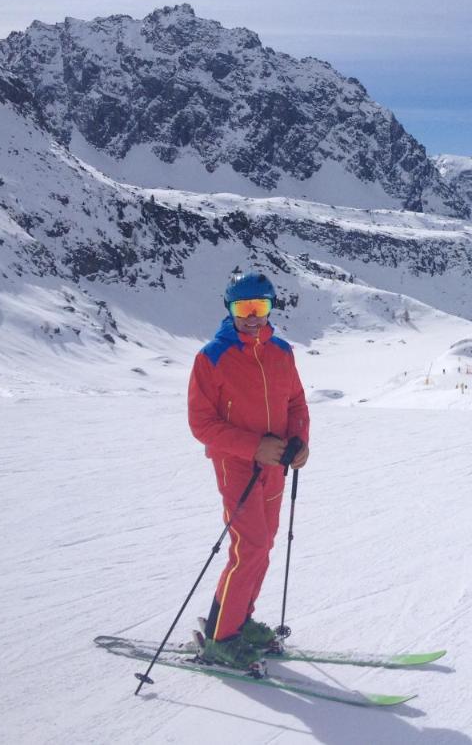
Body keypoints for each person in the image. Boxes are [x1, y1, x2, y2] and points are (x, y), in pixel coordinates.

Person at [187, 272, 309, 668]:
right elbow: (201, 424)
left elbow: (296, 404)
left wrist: (299, 442)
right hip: (236, 465)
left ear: (272, 307)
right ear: (230, 310)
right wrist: (254, 447)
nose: (253, 317)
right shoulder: (212, 357)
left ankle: (238, 619)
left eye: (261, 307)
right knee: (251, 546)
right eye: (244, 308)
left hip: (275, 465)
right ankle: (222, 638)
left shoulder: (282, 352)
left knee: (264, 544)